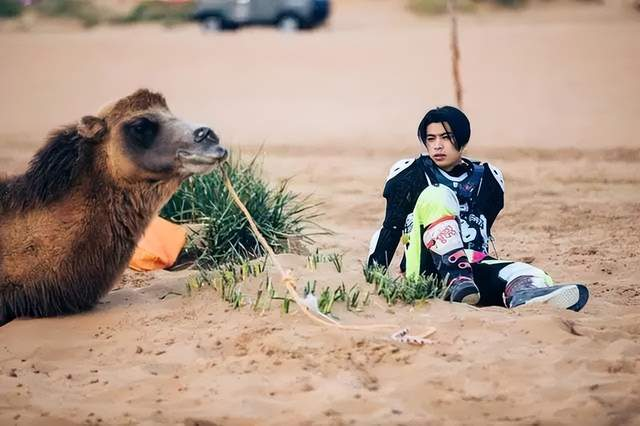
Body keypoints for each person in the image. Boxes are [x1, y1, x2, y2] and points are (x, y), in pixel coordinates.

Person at [367, 106, 589, 310]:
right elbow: (390, 229)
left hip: (474, 271)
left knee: (526, 272)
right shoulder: (409, 174)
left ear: (462, 139)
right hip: (425, 271)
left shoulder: (489, 179)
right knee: (438, 194)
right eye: (431, 138)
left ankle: (525, 297)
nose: (437, 145)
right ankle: (456, 277)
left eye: (446, 137)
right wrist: (374, 279)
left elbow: (482, 233)